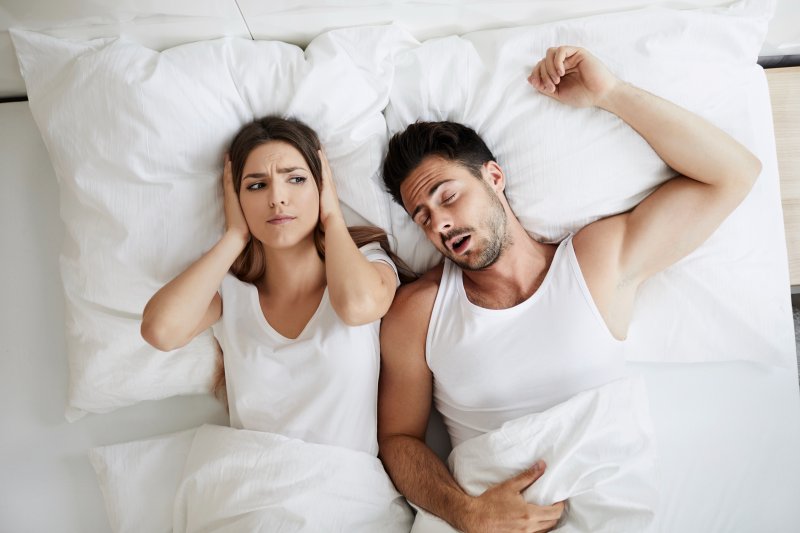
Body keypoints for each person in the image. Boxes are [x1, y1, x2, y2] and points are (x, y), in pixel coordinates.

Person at [377, 45, 761, 533]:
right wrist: (465, 512)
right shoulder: (418, 312)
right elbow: (398, 439)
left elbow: (732, 175)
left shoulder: (593, 263)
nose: (441, 224)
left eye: (448, 196)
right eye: (423, 217)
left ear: (494, 177)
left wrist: (611, 93)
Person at [141, 115, 407, 457]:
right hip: (254, 485)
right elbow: (160, 331)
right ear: (235, 199)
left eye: (296, 179)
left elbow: (357, 307)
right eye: (256, 185)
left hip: (347, 489)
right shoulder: (230, 293)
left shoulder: (368, 263)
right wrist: (235, 236)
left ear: (322, 186)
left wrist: (333, 217)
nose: (277, 198)